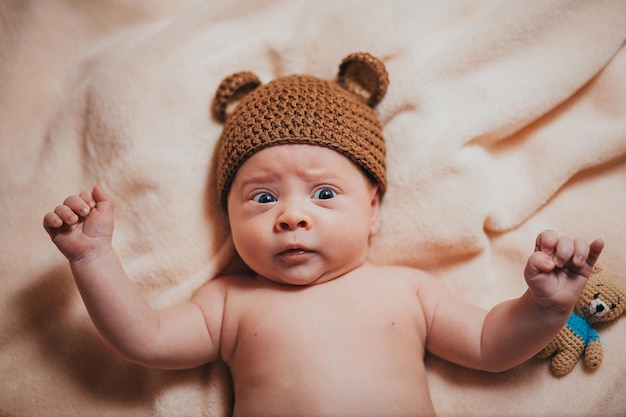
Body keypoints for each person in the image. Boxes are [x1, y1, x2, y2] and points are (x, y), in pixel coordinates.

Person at [43, 53, 604, 417]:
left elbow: (488, 345)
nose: (291, 216)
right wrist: (93, 258)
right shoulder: (229, 301)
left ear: (373, 210)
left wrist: (543, 309)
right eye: (262, 198)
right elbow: (147, 340)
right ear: (227, 219)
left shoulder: (407, 290)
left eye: (324, 193)